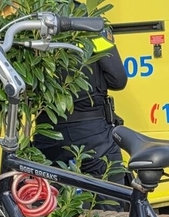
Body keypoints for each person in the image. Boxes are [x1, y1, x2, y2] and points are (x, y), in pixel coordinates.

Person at [34, 22, 127, 185]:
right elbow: (118, 80)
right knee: (109, 192)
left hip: (48, 133)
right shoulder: (90, 25)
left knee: (51, 195)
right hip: (92, 133)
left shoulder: (31, 24)